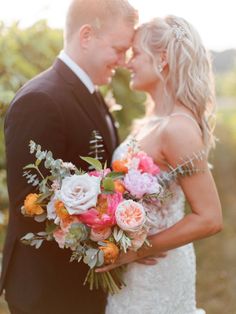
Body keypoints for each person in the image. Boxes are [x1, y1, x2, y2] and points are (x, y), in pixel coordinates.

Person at [0, 0, 137, 313]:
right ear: (86, 35)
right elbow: (31, 203)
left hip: (82, 282)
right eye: (118, 48)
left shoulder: (90, 92)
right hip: (50, 290)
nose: (123, 60)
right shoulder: (41, 99)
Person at [96, 15, 223, 314]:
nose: (129, 63)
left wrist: (136, 251)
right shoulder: (152, 121)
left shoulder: (177, 128)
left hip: (158, 272)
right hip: (135, 272)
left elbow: (209, 218)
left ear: (162, 59)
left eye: (136, 54)